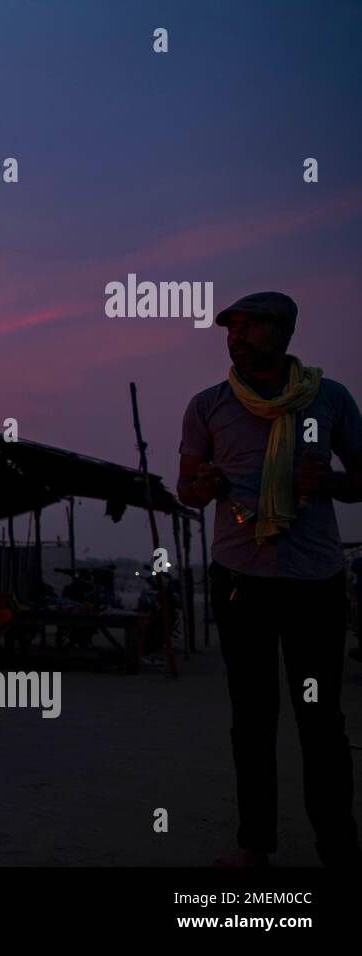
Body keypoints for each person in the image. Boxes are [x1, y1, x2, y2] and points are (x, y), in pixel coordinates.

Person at [177, 291, 362, 867]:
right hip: (241, 581)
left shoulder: (328, 399)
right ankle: (254, 842)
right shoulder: (208, 406)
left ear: (282, 333)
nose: (235, 336)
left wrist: (328, 482)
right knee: (252, 718)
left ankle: (337, 844)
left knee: (321, 719)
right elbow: (186, 487)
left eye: (249, 326)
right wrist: (201, 488)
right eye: (230, 328)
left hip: (314, 581)